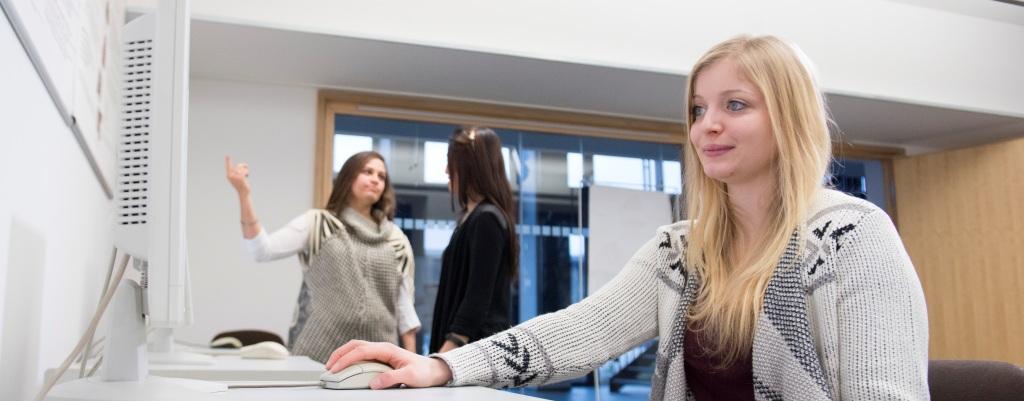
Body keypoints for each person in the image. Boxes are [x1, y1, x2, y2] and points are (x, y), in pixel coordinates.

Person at [322, 35, 930, 400]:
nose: (706, 126)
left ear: (791, 118)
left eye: (735, 105)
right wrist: (443, 365)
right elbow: (576, 332)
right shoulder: (682, 250)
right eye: (697, 109)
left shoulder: (852, 237)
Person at [225, 151, 420, 363]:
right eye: (368, 172)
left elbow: (405, 310)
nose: (375, 179)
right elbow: (262, 250)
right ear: (349, 177)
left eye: (381, 176)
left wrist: (410, 362)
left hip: (377, 361)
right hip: (316, 355)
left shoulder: (396, 240)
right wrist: (244, 195)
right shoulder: (318, 224)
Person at [429, 127, 519, 354]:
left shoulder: (486, 218)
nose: (447, 170)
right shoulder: (471, 218)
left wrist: (445, 353)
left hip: (473, 352)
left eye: (453, 162)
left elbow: (477, 297)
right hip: (465, 351)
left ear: (472, 166)